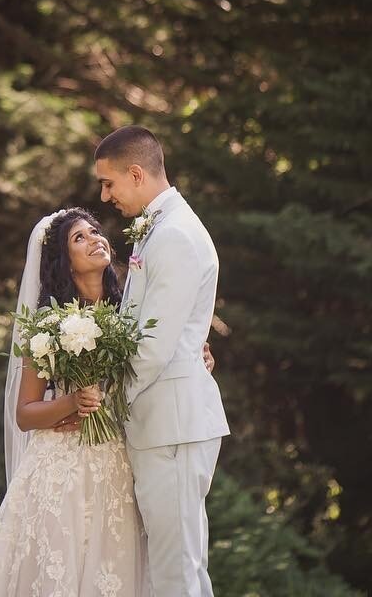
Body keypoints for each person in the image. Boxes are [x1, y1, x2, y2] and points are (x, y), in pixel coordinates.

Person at [0, 207, 148, 597]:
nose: (95, 238)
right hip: (61, 470)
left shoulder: (130, 312)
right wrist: (73, 401)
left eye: (95, 231)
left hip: (117, 463)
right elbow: (25, 414)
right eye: (79, 238)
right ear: (64, 263)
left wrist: (200, 353)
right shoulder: (47, 326)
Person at [94, 125, 229, 597]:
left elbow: (151, 346)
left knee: (177, 572)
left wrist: (107, 406)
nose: (105, 195)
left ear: (136, 173)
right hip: (164, 422)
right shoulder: (162, 229)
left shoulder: (174, 234)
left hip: (171, 424)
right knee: (175, 569)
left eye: (109, 183)